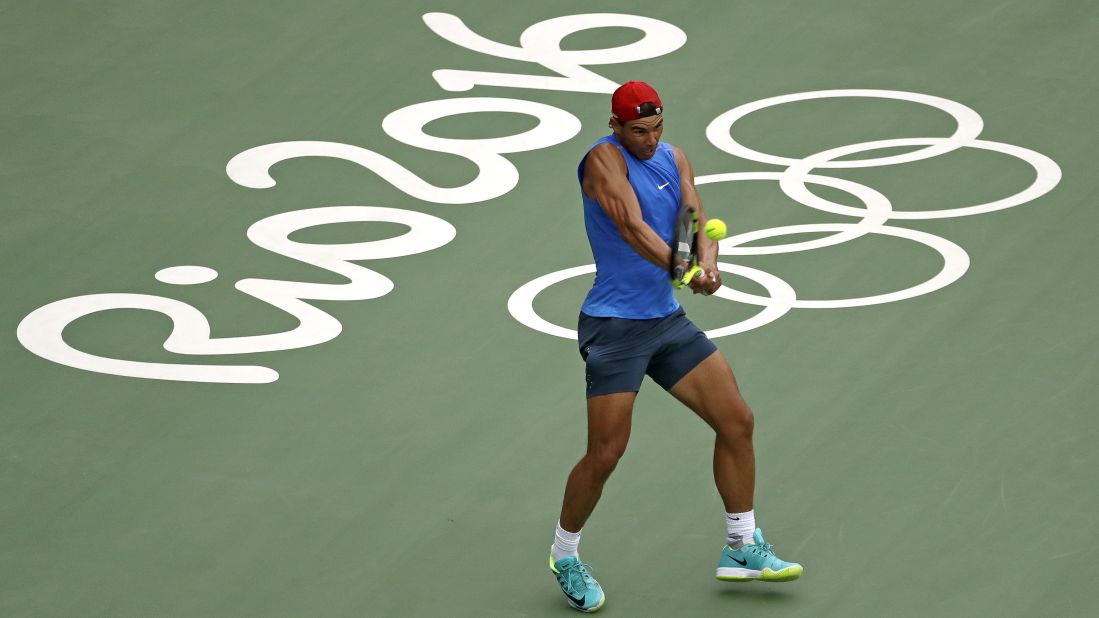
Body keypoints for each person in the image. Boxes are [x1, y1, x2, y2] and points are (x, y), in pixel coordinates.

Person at [547, 81, 803, 613]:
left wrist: (707, 259)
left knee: (737, 420)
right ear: (615, 126)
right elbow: (632, 226)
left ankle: (741, 546)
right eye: (637, 131)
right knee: (606, 453)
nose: (649, 139)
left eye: (656, 128)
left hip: (665, 322)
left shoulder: (674, 157)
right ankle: (564, 554)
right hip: (614, 327)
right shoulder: (602, 162)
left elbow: (690, 220)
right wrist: (683, 268)